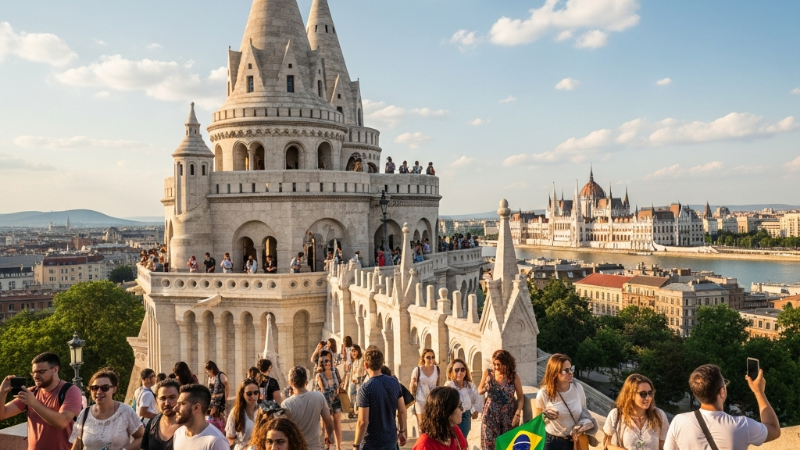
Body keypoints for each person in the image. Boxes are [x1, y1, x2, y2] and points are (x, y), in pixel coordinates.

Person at [664, 364, 780, 450]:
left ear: (696, 394)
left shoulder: (679, 421)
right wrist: (759, 392)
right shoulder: (742, 426)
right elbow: (774, 429)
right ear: (722, 392)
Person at [0, 352, 83, 450]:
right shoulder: (32, 392)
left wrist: (34, 403)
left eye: (41, 372)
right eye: (33, 372)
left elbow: (61, 422)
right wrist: (2, 392)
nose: (35, 376)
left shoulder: (71, 391)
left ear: (55, 370)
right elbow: (3, 414)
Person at [70, 368, 144, 450]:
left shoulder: (125, 411)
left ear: (114, 389)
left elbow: (141, 437)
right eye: (94, 388)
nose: (99, 391)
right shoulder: (84, 414)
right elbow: (77, 444)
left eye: (105, 387)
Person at [532, 353, 593, 450]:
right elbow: (538, 420)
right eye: (566, 370)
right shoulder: (543, 393)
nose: (570, 372)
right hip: (551, 442)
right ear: (555, 372)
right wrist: (546, 416)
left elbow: (584, 413)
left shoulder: (578, 388)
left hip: (573, 442)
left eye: (571, 368)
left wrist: (580, 428)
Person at [354, 347, 407, 450]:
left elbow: (363, 422)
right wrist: (402, 431)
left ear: (366, 365)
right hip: (391, 439)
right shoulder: (394, 382)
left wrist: (356, 445)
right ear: (382, 363)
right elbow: (402, 410)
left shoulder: (365, 389)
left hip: (372, 442)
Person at [603, 374, 668, 450]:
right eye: (643, 394)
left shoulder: (659, 415)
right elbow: (606, 444)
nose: (648, 398)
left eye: (650, 393)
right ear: (630, 394)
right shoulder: (616, 415)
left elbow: (663, 447)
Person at [479, 350, 525, 450]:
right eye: (494, 364)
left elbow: (521, 397)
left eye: (498, 364)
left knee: (506, 444)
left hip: (507, 416)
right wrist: (487, 387)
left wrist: (518, 413)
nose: (495, 367)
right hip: (490, 414)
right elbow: (479, 390)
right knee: (489, 443)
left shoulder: (513, 377)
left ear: (506, 363)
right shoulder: (488, 373)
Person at [280, 366, 334, 450]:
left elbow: (283, 431)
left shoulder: (286, 404)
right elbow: (328, 421)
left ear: (290, 383)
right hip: (315, 446)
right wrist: (330, 436)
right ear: (306, 381)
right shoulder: (318, 396)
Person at [173, 384, 229, 450]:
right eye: (177, 403)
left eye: (182, 404)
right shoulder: (179, 433)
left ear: (196, 407)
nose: (175, 408)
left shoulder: (216, 442)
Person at [444, 359, 481, 440]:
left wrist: (474, 410)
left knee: (461, 442)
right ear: (451, 372)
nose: (459, 373)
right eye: (456, 370)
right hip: (452, 418)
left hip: (466, 417)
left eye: (462, 369)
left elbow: (477, 400)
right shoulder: (449, 385)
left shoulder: (470, 386)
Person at [142, 379, 182, 450]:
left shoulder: (189, 425)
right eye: (162, 398)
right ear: (157, 400)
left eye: (172, 397)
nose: (167, 403)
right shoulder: (152, 424)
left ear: (180, 398)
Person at [315, 351, 343, 450]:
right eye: (324, 361)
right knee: (326, 424)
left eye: (328, 360)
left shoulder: (335, 371)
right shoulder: (319, 375)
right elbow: (320, 389)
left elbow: (340, 382)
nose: (326, 363)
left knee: (337, 423)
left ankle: (338, 447)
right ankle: (326, 445)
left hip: (336, 399)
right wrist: (321, 386)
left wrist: (341, 387)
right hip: (325, 402)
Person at [409, 349, 440, 427]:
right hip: (420, 400)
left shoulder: (437, 369)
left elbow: (438, 385)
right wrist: (413, 383)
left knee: (432, 424)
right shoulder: (417, 370)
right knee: (422, 425)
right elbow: (411, 386)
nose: (431, 360)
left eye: (433, 357)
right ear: (423, 358)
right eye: (428, 357)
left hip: (433, 400)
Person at [226, 379, 259, 450]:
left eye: (256, 393)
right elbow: (229, 437)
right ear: (242, 394)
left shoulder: (263, 410)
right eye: (249, 394)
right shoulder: (236, 412)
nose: (253, 396)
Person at [348, 345, 365, 420]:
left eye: (354, 351)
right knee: (351, 396)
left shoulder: (361, 359)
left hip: (359, 380)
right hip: (353, 381)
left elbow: (362, 371)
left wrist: (358, 379)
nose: (353, 353)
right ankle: (352, 412)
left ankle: (358, 412)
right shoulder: (353, 360)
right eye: (352, 351)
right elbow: (352, 372)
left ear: (358, 351)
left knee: (358, 396)